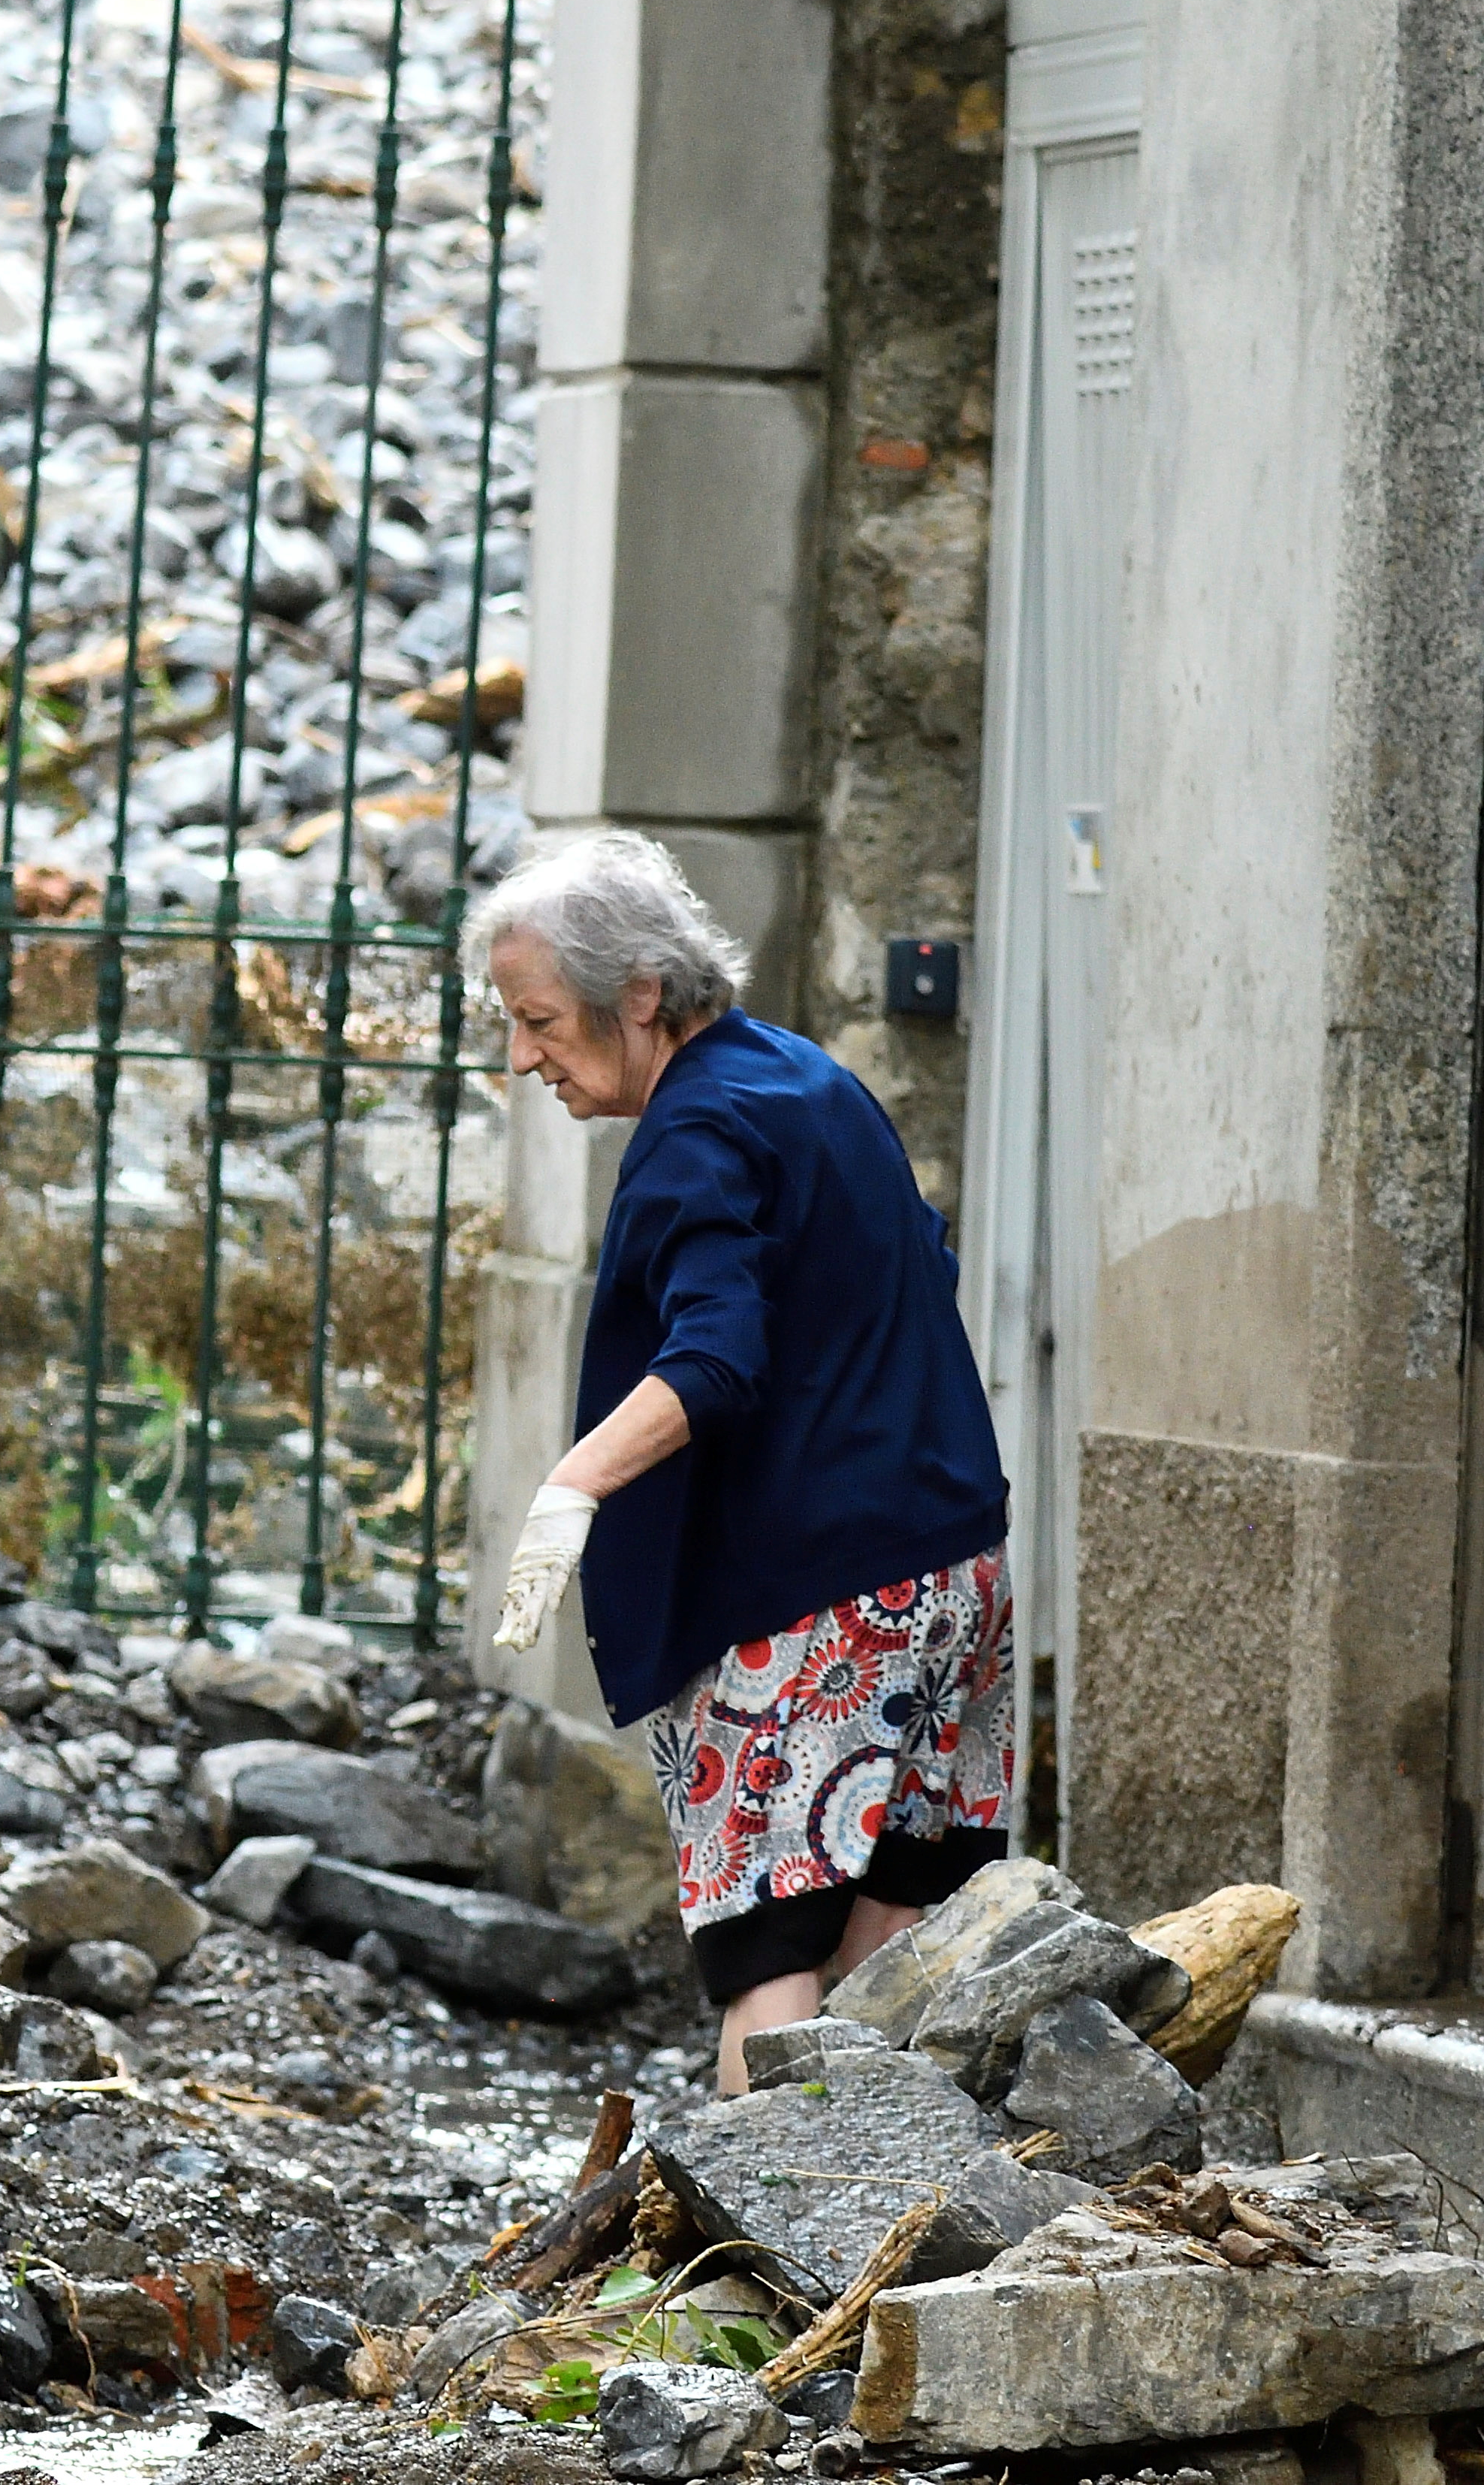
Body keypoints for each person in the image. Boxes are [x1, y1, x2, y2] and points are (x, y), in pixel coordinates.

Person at [474, 831, 1015, 2096]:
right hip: (950, 1577)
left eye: (540, 1019)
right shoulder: (809, 1081)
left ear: (641, 994)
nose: (521, 1057)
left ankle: (756, 2269)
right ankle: (879, 2255)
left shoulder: (695, 1131)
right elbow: (911, 1280)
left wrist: (575, 1486)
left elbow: (717, 1361)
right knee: (895, 1958)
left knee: (771, 1960)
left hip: (813, 1617)